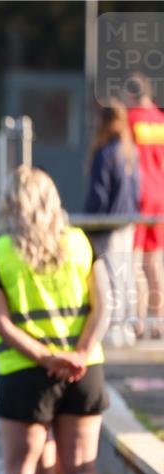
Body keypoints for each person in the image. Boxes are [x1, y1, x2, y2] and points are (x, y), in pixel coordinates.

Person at [0, 166, 109, 474]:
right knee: (83, 469)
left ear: (8, 206)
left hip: (25, 375)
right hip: (84, 373)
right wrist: (80, 354)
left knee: (22, 471)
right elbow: (105, 306)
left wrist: (46, 357)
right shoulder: (81, 243)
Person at [85, 101, 141, 344]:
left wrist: (88, 221)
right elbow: (137, 190)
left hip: (108, 226)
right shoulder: (131, 152)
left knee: (109, 277)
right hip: (128, 223)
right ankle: (126, 329)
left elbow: (99, 194)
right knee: (125, 275)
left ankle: (112, 331)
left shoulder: (106, 153)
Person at [126, 75, 164, 338]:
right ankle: (159, 322)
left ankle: (139, 323)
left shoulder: (130, 120)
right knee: (156, 263)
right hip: (161, 195)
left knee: (136, 262)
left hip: (140, 197)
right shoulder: (160, 121)